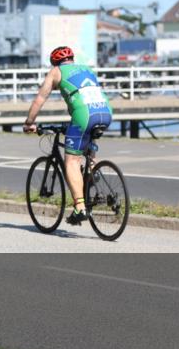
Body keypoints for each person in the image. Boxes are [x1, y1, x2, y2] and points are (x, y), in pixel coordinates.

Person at [23, 46, 113, 224]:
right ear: (72, 59)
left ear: (55, 62)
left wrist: (29, 122)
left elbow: (40, 99)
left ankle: (80, 207)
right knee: (86, 149)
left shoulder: (56, 71)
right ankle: (91, 173)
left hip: (84, 114)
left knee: (71, 161)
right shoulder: (87, 69)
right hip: (105, 111)